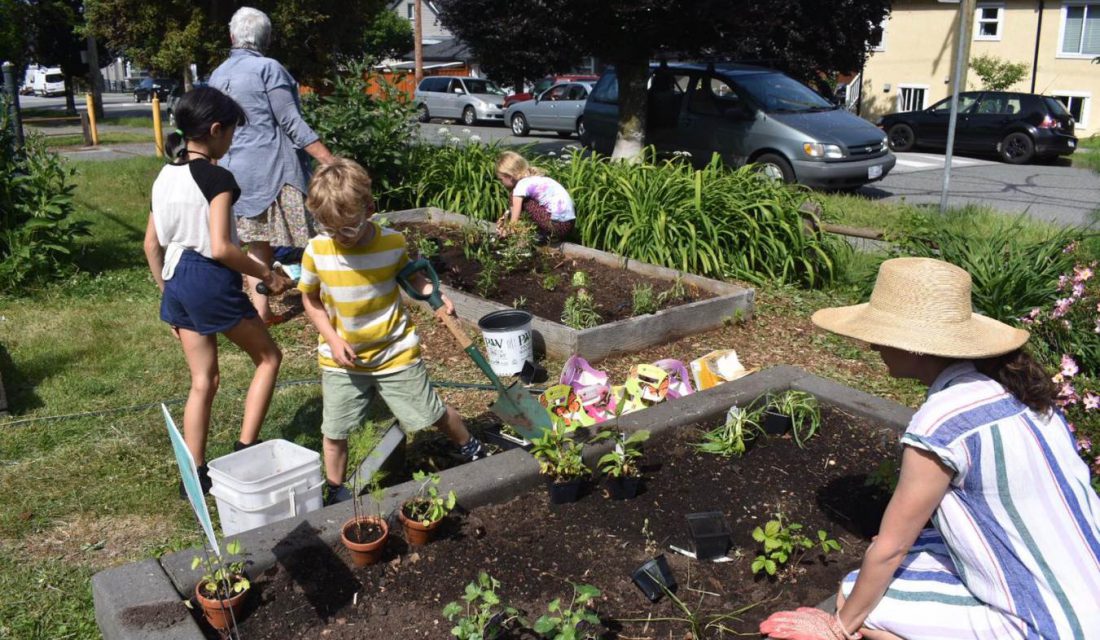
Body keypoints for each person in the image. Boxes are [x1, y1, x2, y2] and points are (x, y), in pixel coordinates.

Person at [759, 257, 1100, 640]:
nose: (872, 345)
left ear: (916, 347)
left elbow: (890, 548)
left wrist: (837, 627)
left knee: (855, 595)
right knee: (923, 544)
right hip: (1089, 579)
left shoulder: (942, 421)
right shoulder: (1020, 393)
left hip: (1054, 624)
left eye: (882, 336)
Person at [298, 158, 486, 505]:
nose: (341, 238)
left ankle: (471, 447)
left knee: (431, 413)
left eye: (348, 229)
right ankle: (335, 488)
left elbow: (412, 278)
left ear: (370, 209)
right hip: (342, 360)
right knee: (334, 430)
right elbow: (310, 300)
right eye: (330, 229)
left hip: (394, 352)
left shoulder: (391, 243)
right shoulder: (318, 250)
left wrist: (434, 293)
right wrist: (333, 338)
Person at [143, 87, 293, 497]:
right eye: (230, 133)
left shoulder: (164, 174)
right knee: (268, 356)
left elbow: (150, 246)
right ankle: (246, 446)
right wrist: (268, 275)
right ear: (214, 130)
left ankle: (194, 474)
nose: (231, 141)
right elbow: (223, 247)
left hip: (175, 278)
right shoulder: (218, 178)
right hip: (208, 276)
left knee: (202, 380)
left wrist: (169, 299)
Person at [208, 6, 335, 325]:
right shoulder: (269, 68)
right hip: (274, 172)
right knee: (318, 236)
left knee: (256, 241)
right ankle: (331, 301)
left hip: (233, 173)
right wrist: (330, 160)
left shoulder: (218, 74)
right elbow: (290, 121)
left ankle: (262, 313)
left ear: (232, 36)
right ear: (267, 38)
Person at [495, 151, 575, 243]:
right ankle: (542, 234)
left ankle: (524, 238)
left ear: (510, 176)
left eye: (501, 179)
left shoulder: (520, 187)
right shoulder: (535, 179)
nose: (501, 184)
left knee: (518, 199)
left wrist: (507, 231)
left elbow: (514, 222)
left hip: (557, 227)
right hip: (570, 223)